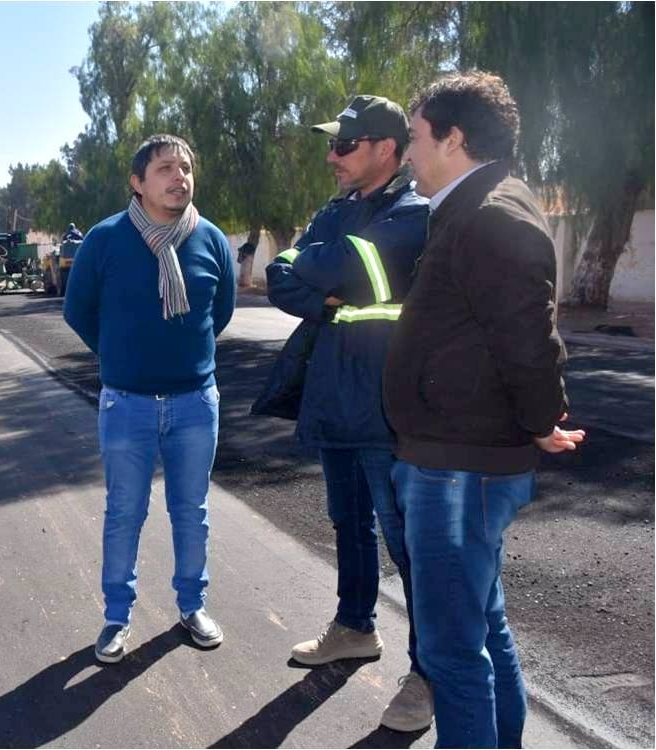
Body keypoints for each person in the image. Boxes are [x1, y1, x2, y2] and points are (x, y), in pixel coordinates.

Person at [384, 71, 584, 748]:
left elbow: (530, 342)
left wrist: (542, 420)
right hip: (453, 464)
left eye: (415, 137)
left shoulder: (492, 215)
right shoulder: (472, 207)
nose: (408, 153)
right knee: (482, 626)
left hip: (457, 472)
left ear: (454, 138)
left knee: (450, 651)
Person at [265, 95, 432, 732]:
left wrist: (321, 271)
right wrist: (320, 281)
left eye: (344, 145)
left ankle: (429, 670)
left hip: (387, 404)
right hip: (336, 394)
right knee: (348, 522)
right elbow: (281, 274)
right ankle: (355, 627)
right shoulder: (335, 213)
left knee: (406, 540)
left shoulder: (413, 212)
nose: (331, 156)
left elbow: (350, 266)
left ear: (386, 148)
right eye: (331, 145)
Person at [64, 134, 236, 663]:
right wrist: (118, 354)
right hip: (127, 404)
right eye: (165, 168)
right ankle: (117, 616)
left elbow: (220, 312)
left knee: (191, 512)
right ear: (137, 183)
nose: (179, 177)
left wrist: (183, 357)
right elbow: (78, 310)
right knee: (124, 513)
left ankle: (192, 606)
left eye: (185, 168)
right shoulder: (105, 239)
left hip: (195, 403)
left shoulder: (211, 240)